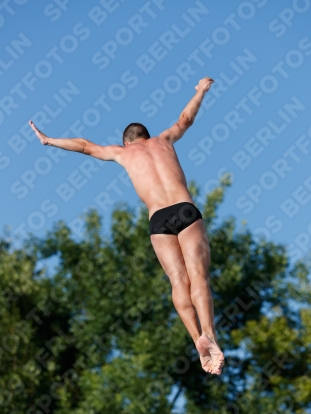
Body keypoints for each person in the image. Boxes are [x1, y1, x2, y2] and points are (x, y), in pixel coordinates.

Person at [29, 76, 224, 375]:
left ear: (127, 142)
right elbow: (186, 118)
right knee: (199, 274)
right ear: (147, 136)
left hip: (159, 219)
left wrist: (49, 140)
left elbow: (84, 146)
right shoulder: (164, 140)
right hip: (184, 209)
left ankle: (195, 337)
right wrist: (200, 91)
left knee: (178, 281)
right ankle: (209, 334)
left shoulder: (122, 153)